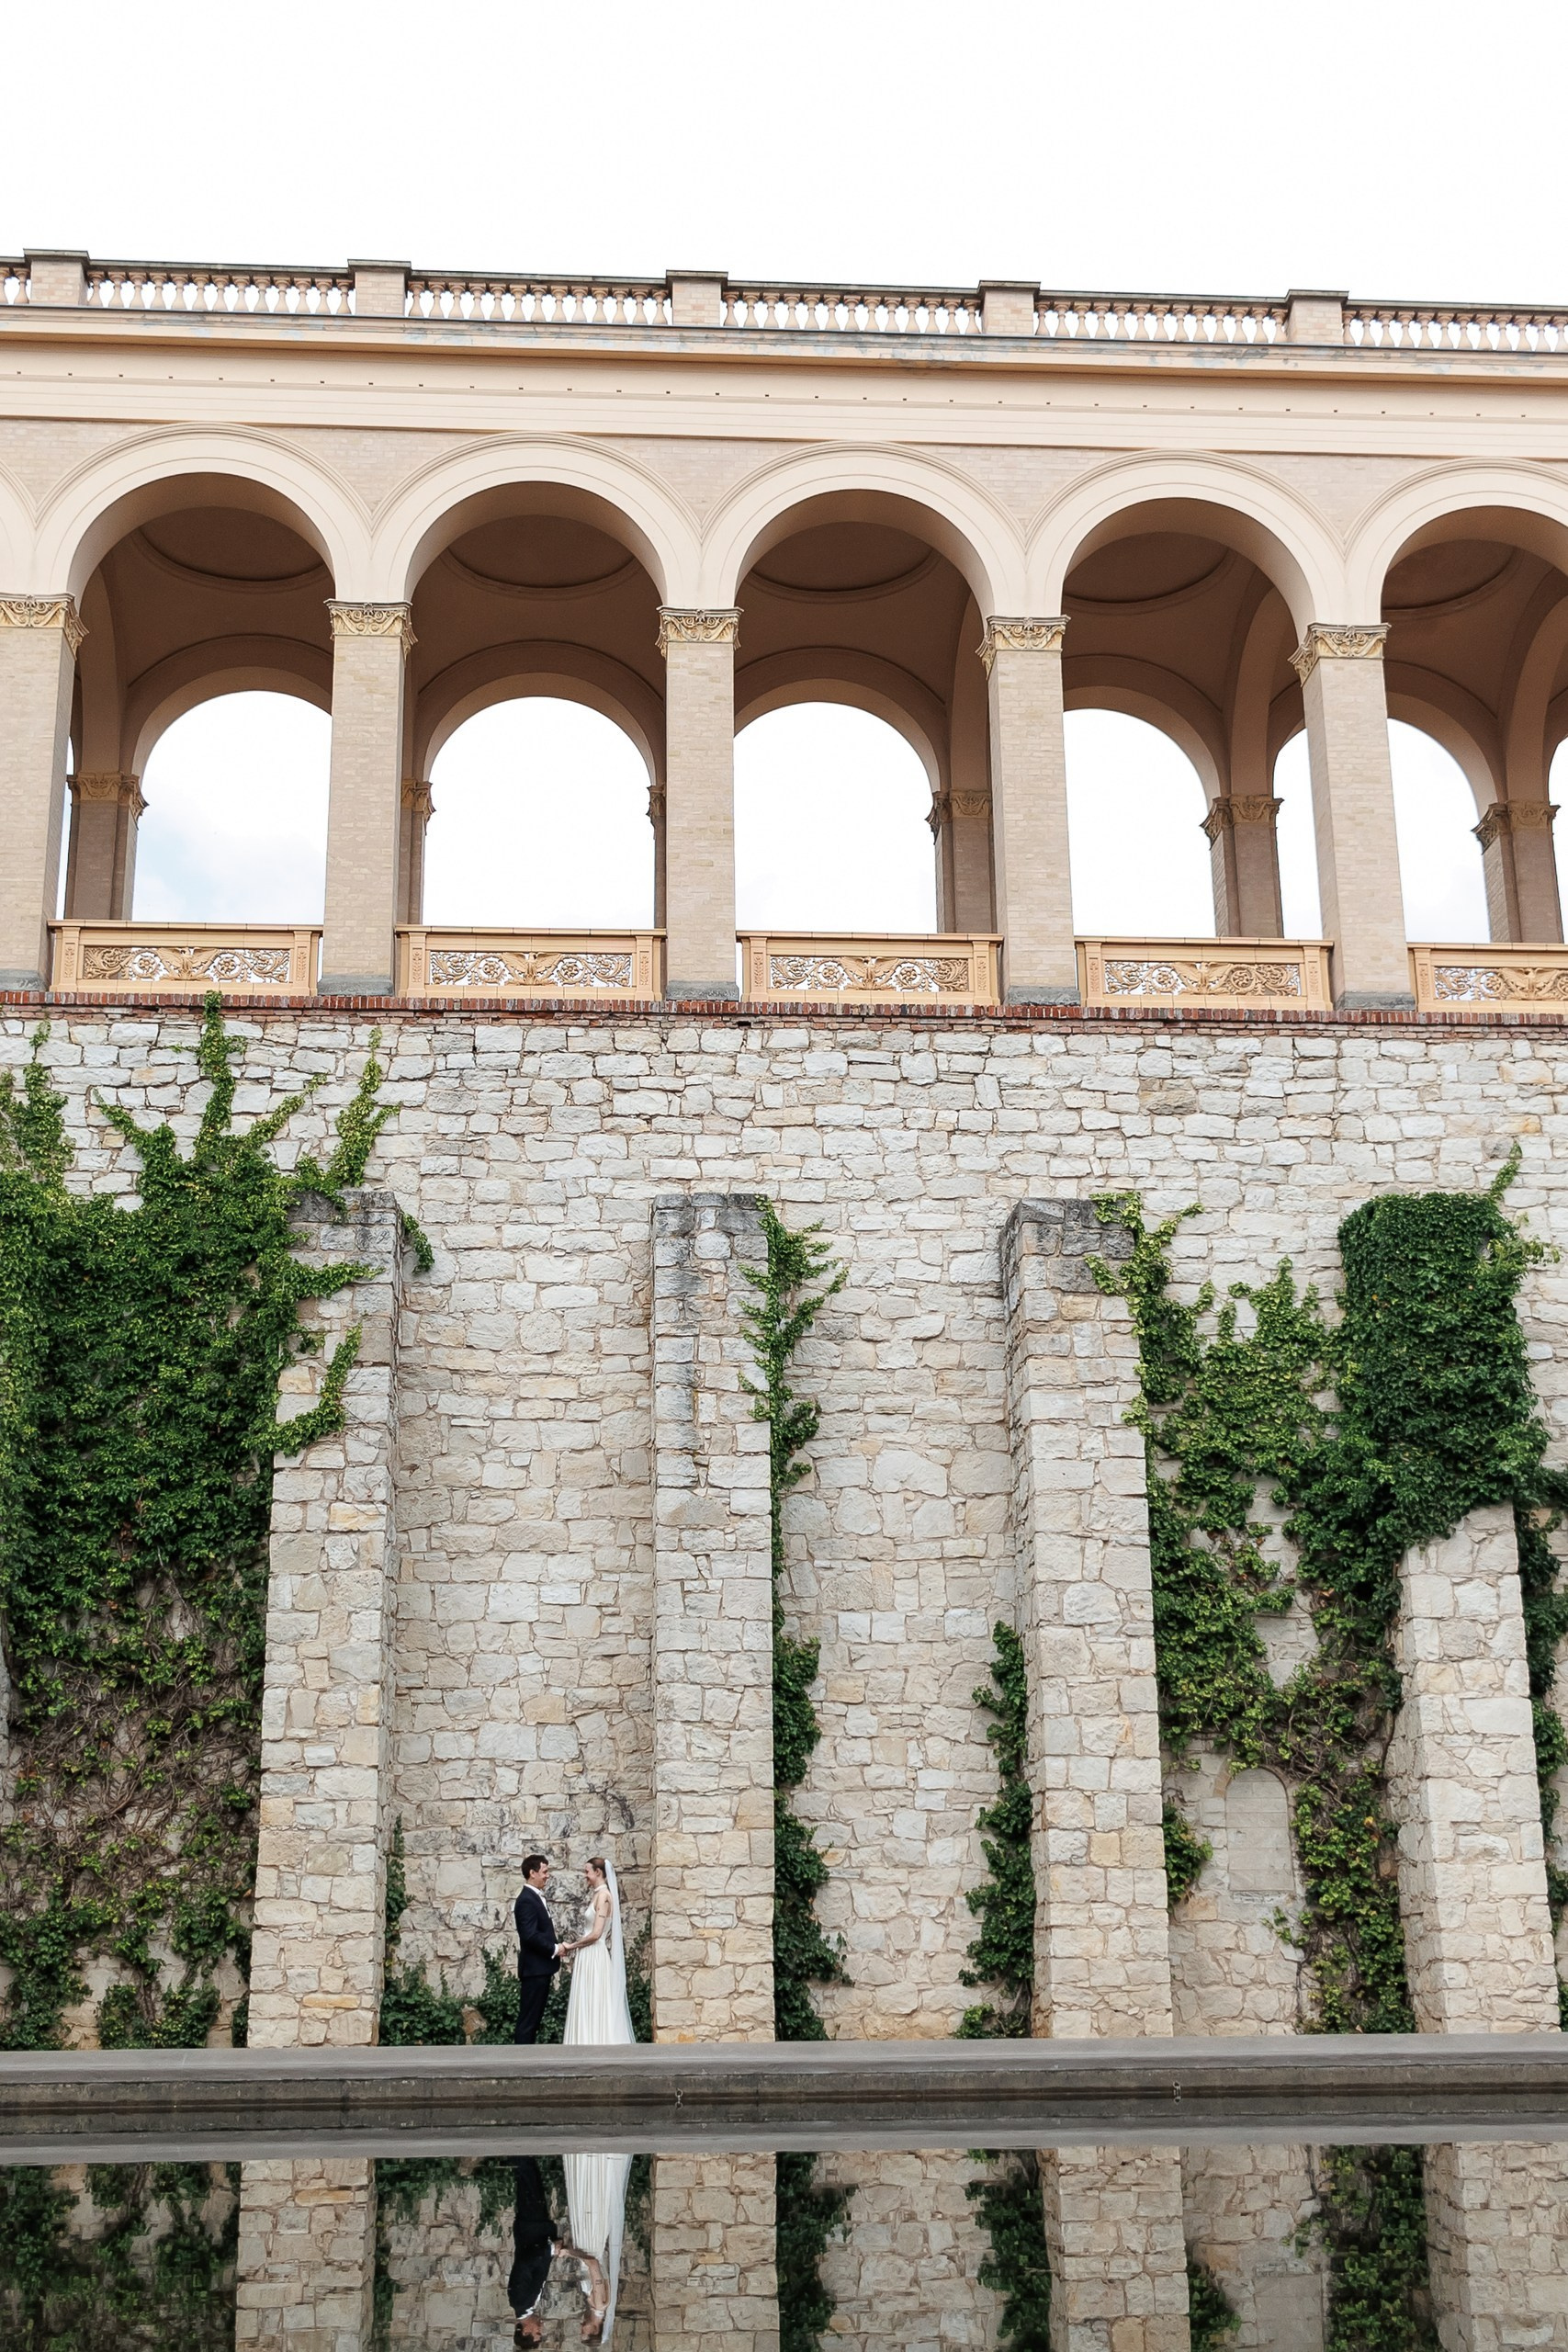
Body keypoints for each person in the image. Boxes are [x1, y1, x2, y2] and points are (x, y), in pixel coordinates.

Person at [557, 1857, 635, 2046]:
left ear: (598, 1872)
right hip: (588, 1955)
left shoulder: (604, 1896)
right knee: (587, 2001)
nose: (586, 1877)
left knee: (595, 2001)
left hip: (594, 1954)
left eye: (587, 1872)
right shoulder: (598, 1895)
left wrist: (571, 1945)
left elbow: (596, 1933)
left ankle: (596, 2041)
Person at [507, 2155, 558, 2345]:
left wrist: (550, 2250)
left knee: (528, 2186)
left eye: (537, 2333)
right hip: (536, 2229)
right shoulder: (527, 2303)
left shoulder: (520, 2301)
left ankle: (519, 2153)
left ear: (526, 2331)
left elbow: (524, 2265)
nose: (541, 2328)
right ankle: (523, 2154)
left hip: (531, 2229)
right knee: (531, 2185)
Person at [513, 1853, 561, 2044]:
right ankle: (521, 2062)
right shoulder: (526, 1900)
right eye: (544, 1871)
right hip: (534, 1970)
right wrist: (555, 1948)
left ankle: (526, 2059)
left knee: (533, 2020)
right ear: (532, 1873)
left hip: (540, 1969)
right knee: (528, 2020)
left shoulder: (535, 1897)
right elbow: (530, 1935)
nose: (547, 1875)